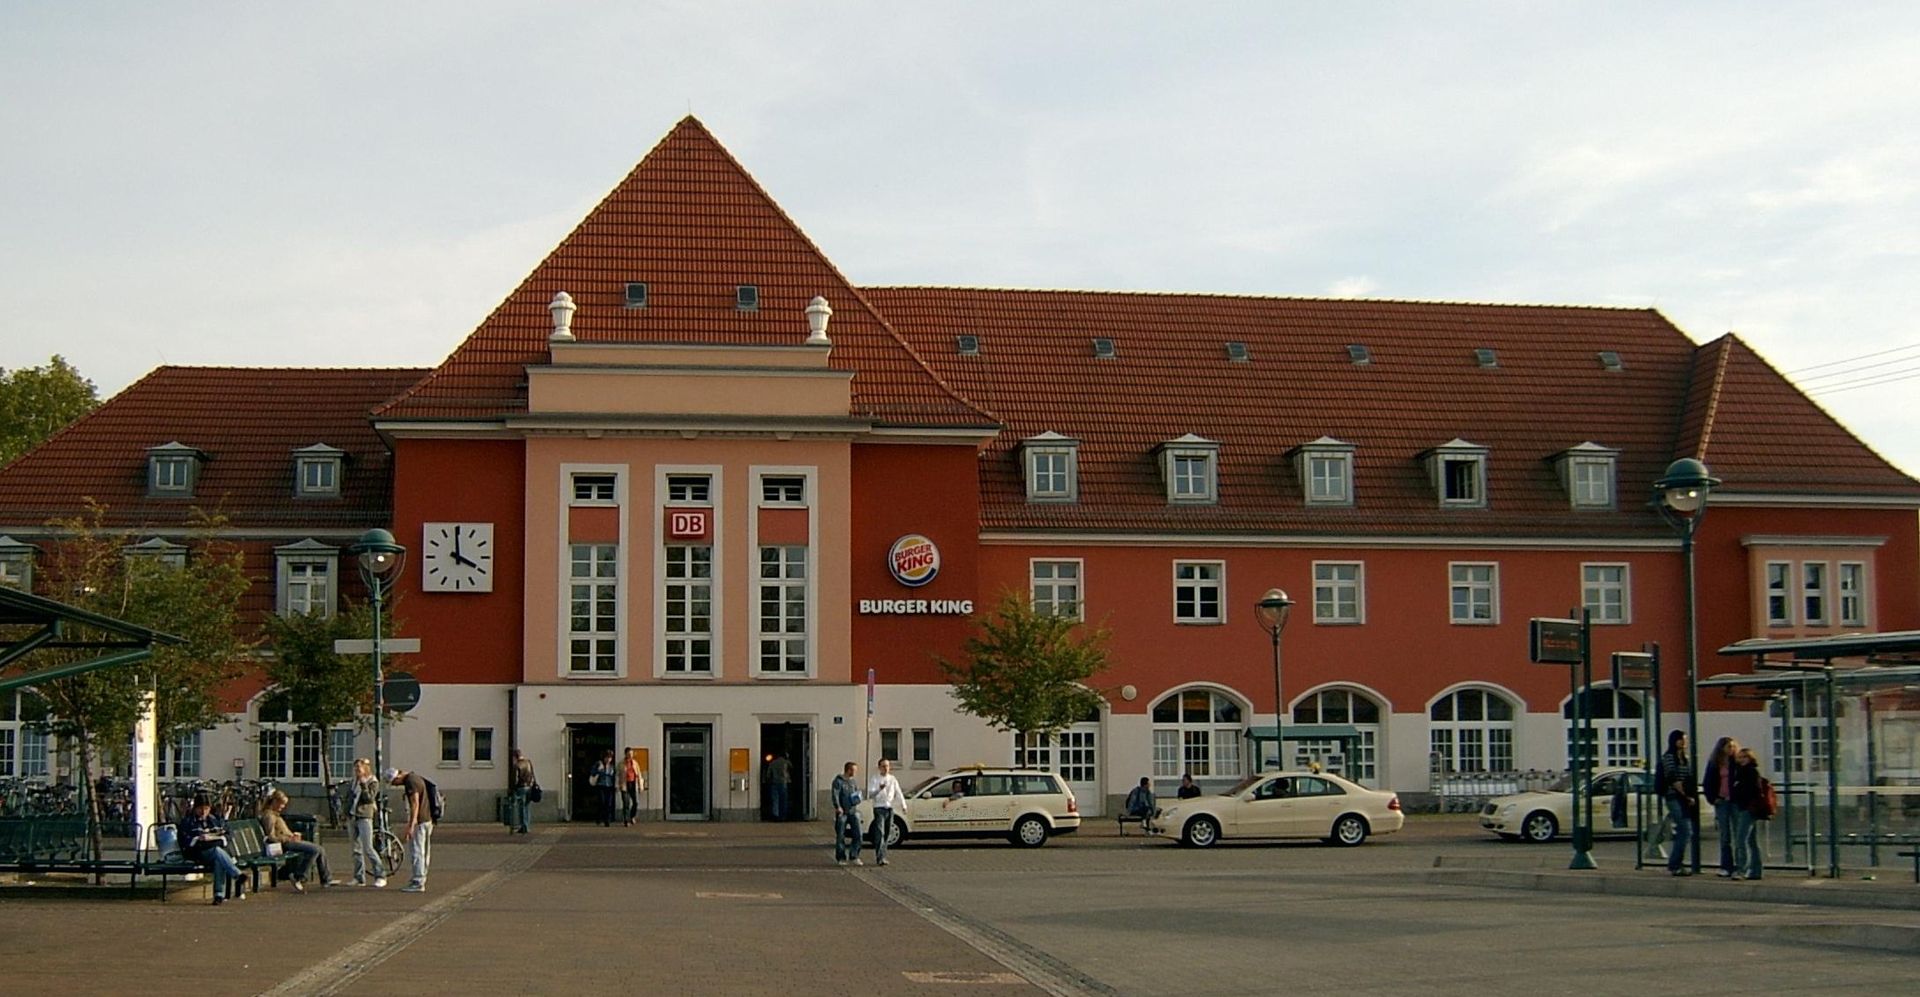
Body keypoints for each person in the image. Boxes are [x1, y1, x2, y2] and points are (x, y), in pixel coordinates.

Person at [261, 789, 334, 893]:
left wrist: (293, 834)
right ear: (275, 802)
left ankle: (326, 879)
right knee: (315, 850)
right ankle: (299, 876)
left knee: (320, 849)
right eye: (282, 804)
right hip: (284, 844)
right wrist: (288, 838)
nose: (283, 807)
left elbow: (283, 831)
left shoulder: (275, 814)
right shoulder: (269, 816)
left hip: (289, 840)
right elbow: (271, 836)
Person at [180, 794, 243, 905]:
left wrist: (215, 838)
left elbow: (228, 835)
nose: (203, 812)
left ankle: (218, 895)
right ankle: (236, 874)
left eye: (206, 809)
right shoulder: (188, 822)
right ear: (195, 808)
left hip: (214, 851)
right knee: (217, 852)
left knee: (218, 859)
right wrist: (199, 838)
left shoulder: (215, 820)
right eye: (200, 809)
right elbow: (186, 841)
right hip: (197, 853)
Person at [1657, 730, 1698, 876]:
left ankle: (1676, 863)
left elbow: (1688, 777)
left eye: (1685, 739)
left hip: (1684, 797)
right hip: (1673, 796)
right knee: (1685, 829)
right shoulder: (1669, 757)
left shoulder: (1684, 758)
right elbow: (1672, 778)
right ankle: (1675, 864)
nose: (1683, 742)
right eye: (1681, 739)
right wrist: (1686, 795)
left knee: (1685, 831)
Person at [388, 767, 433, 893]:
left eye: (394, 783)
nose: (396, 786)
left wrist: (411, 825)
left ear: (397, 777)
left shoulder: (410, 782)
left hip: (419, 821)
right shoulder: (416, 777)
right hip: (427, 819)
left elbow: (415, 803)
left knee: (417, 851)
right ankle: (421, 878)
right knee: (424, 851)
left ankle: (418, 881)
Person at [1700, 736, 1740, 877]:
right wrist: (1713, 798)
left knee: (1738, 834)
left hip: (1735, 802)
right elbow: (1707, 782)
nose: (1731, 749)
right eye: (1729, 746)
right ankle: (1726, 866)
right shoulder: (1714, 763)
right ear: (1721, 748)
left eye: (1733, 746)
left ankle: (1739, 866)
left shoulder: (1738, 762)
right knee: (1725, 835)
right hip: (1722, 801)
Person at [349, 757, 387, 887]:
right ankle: (359, 877)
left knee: (368, 848)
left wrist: (364, 785)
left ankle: (380, 875)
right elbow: (350, 796)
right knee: (356, 849)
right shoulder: (354, 781)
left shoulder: (372, 781)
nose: (356, 771)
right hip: (353, 815)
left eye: (358, 768)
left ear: (365, 768)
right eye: (355, 768)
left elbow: (369, 799)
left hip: (365, 816)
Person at [1729, 747, 1766, 880]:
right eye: (1740, 757)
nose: (1742, 760)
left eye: (1745, 757)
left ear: (1750, 758)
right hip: (1743, 808)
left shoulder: (1750, 772)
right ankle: (1756, 870)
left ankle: (1741, 869)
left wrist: (1738, 791)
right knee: (1751, 841)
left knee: (1741, 839)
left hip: (1748, 809)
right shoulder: (1739, 772)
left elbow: (1753, 790)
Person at [867, 757, 906, 867]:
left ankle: (883, 855)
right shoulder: (875, 779)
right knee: (880, 832)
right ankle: (880, 857)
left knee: (888, 833)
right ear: (879, 767)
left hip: (889, 808)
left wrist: (903, 805)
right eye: (883, 766)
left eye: (887, 766)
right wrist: (879, 789)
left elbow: (898, 792)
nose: (886, 768)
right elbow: (870, 794)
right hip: (879, 808)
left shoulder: (892, 779)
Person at [831, 761, 863, 866]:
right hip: (842, 812)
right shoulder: (838, 781)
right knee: (841, 835)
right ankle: (841, 857)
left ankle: (854, 855)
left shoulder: (853, 782)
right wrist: (838, 807)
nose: (855, 773)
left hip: (853, 811)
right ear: (848, 770)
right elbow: (835, 795)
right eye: (854, 770)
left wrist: (858, 798)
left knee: (858, 834)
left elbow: (856, 793)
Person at [509, 748, 537, 835]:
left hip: (521, 787)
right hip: (529, 787)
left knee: (521, 808)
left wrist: (513, 788)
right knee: (527, 807)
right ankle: (527, 825)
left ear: (515, 757)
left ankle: (523, 826)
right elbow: (532, 774)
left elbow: (515, 779)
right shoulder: (528, 762)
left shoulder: (517, 765)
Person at [592, 749, 618, 827]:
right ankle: (599, 818)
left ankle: (607, 820)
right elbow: (592, 772)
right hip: (601, 785)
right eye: (607, 757)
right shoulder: (599, 764)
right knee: (602, 802)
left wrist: (616, 785)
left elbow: (615, 776)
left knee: (609, 803)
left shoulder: (612, 767)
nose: (608, 759)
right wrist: (599, 771)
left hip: (609, 786)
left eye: (610, 758)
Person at [767, 753, 794, 820]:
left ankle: (775, 815)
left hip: (774, 782)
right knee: (783, 799)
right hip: (783, 782)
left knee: (775, 799)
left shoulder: (772, 763)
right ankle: (783, 815)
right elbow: (792, 767)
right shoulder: (786, 762)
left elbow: (768, 775)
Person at [621, 747, 642, 826]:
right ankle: (626, 820)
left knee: (636, 802)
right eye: (629, 754)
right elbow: (617, 775)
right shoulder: (621, 764)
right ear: (625, 754)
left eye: (631, 754)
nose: (630, 755)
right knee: (626, 803)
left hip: (633, 784)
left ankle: (632, 816)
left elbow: (639, 775)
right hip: (625, 784)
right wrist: (617, 785)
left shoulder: (635, 763)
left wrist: (640, 786)